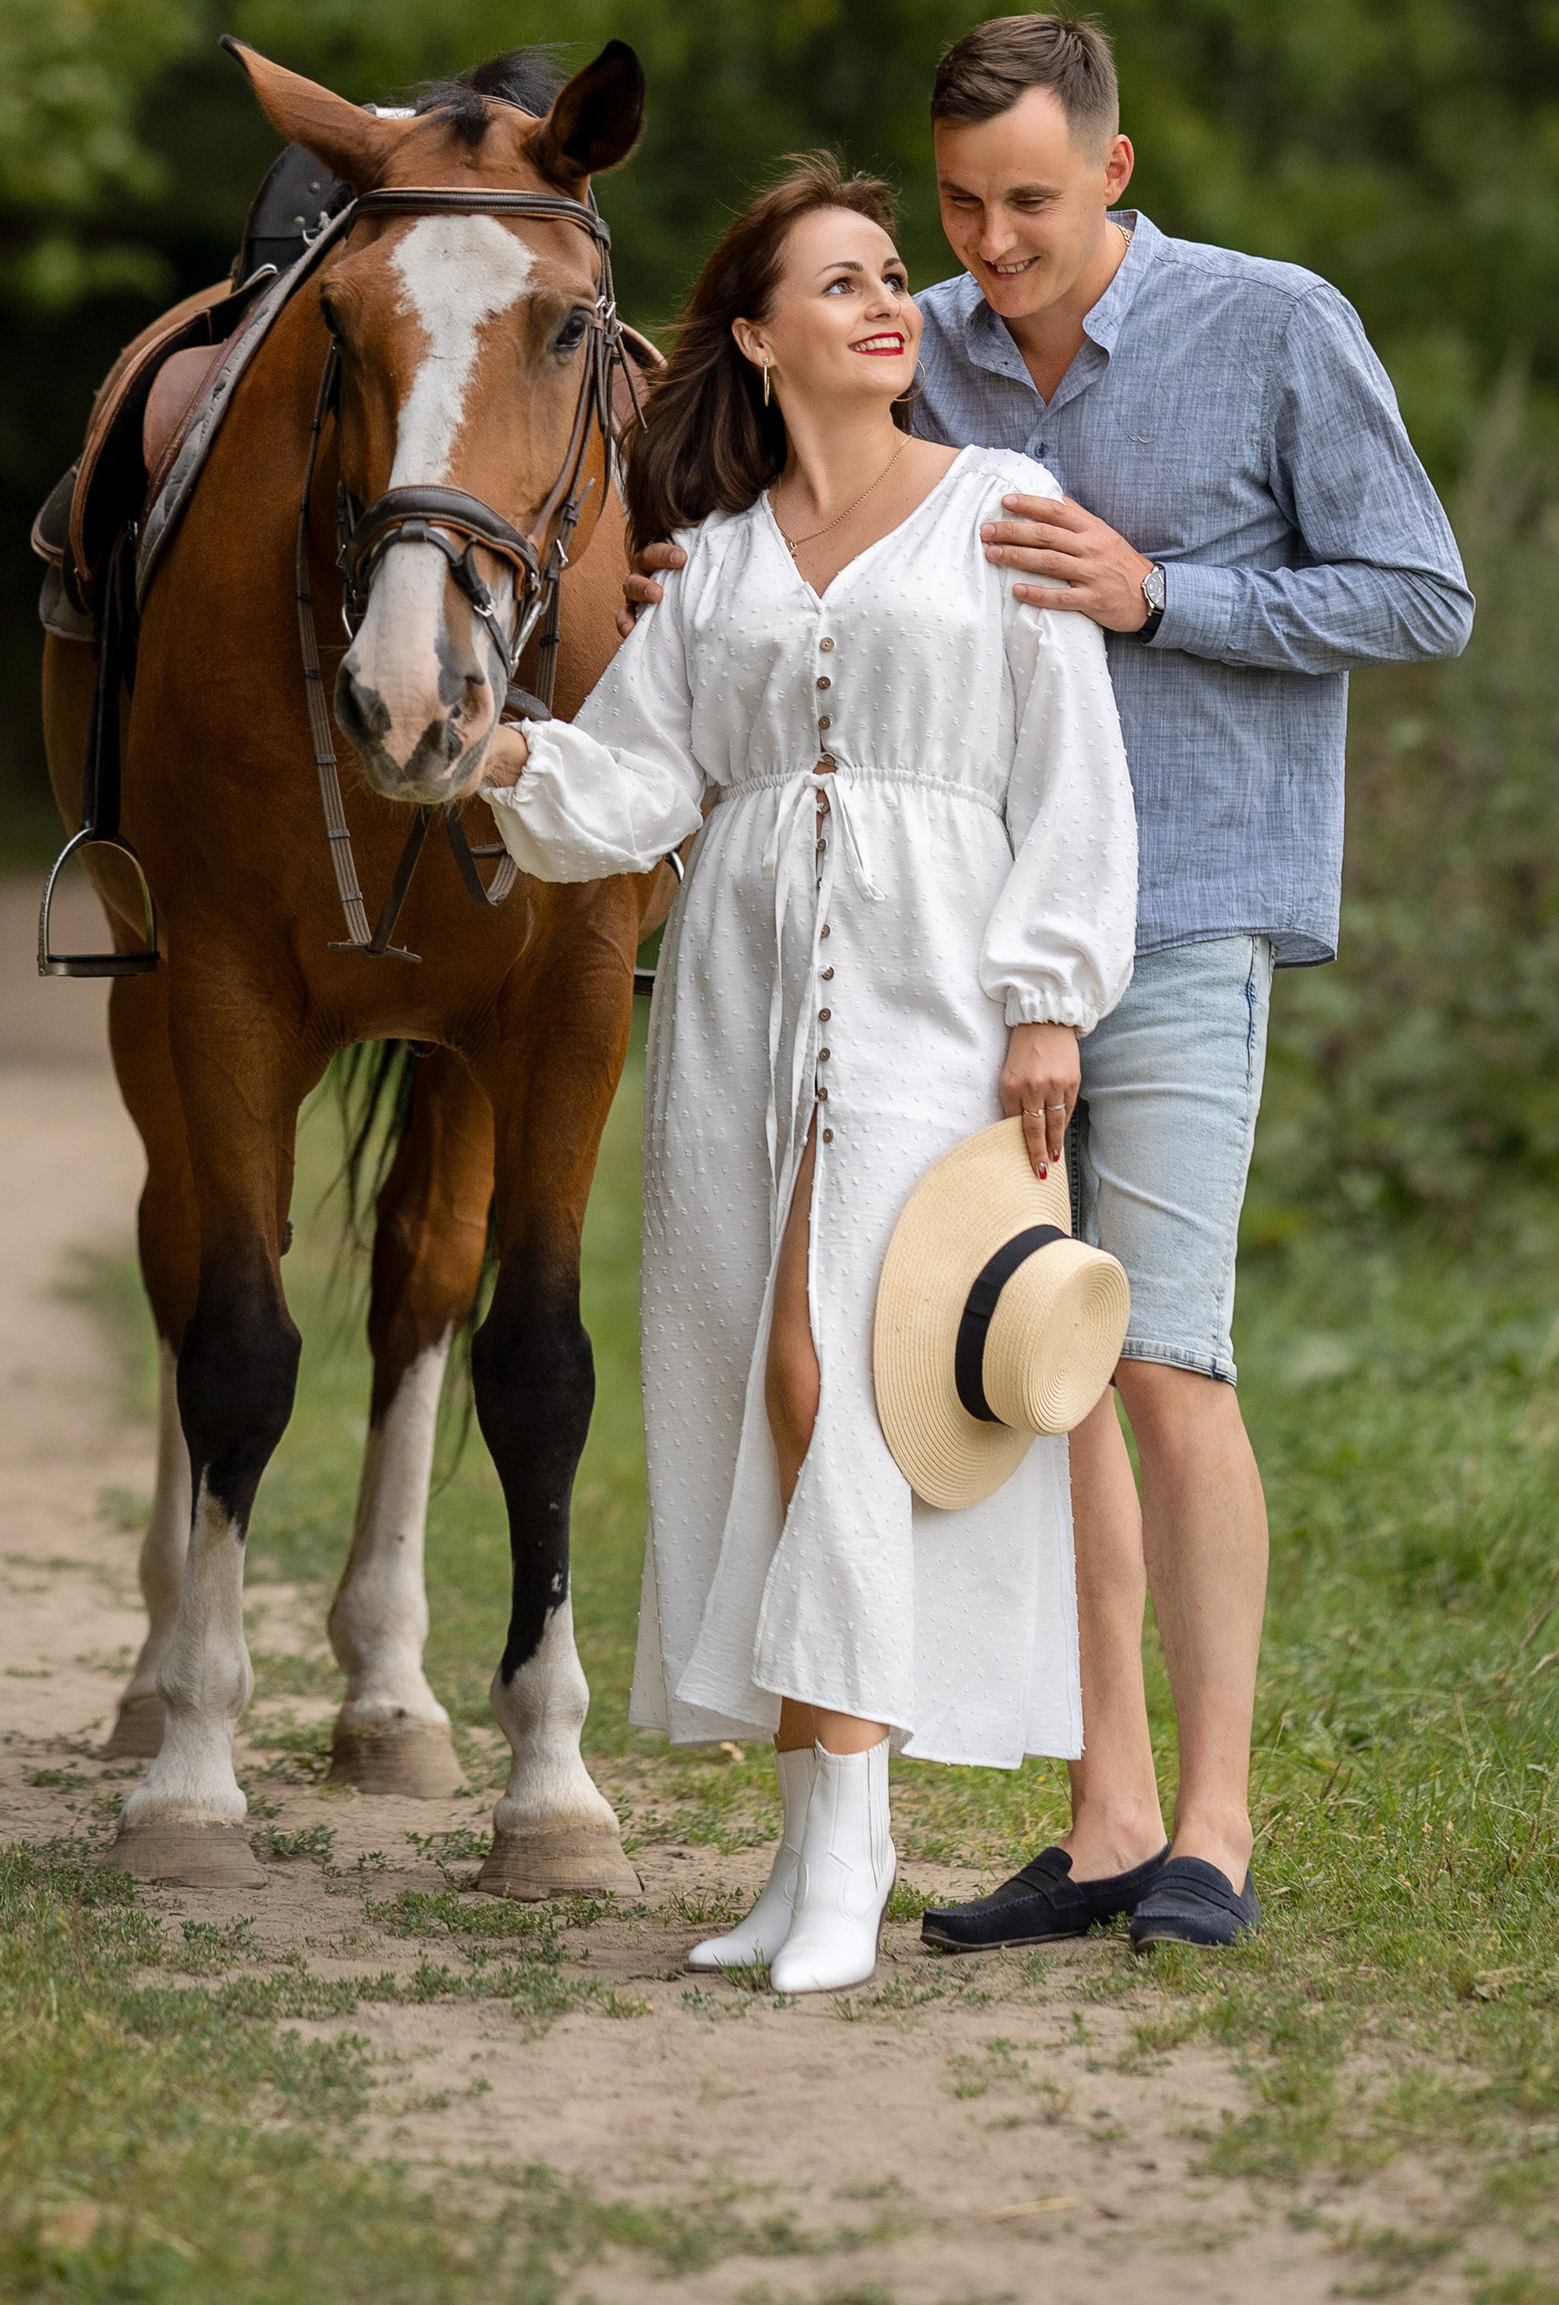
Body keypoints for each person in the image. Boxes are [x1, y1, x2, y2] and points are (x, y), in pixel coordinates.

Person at [627, 19, 1474, 1953]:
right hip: (938, 961)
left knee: (1163, 1357)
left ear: (1112, 166)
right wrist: (703, 591)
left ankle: (1217, 1827)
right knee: (1026, 1373)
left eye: (1026, 200)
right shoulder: (909, 328)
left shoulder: (1274, 327)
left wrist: (1161, 590)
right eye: (959, 203)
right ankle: (1099, 1824)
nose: (986, 247)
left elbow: (1423, 593)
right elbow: (794, 494)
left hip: (1175, 915)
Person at [478, 156, 1139, 1993]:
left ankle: (851, 1846)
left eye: (890, 278)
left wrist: (1048, 1000)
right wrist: (502, 753)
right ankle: (806, 1846)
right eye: (836, 283)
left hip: (940, 1003)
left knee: (843, 1376)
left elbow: (1069, 766)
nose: (884, 302)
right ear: (759, 340)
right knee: (759, 1384)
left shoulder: (1004, 504)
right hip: (743, 1011)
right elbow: (633, 791)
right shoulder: (724, 568)